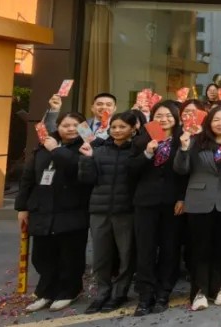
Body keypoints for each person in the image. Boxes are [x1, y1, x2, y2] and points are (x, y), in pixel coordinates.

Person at [17, 111, 91, 312]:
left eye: (75, 125)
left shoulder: (87, 146)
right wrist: (22, 207)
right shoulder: (43, 145)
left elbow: (78, 169)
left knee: (70, 254)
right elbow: (28, 177)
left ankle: (69, 291)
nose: (71, 129)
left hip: (72, 210)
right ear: (57, 127)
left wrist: (57, 151)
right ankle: (46, 291)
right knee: (42, 255)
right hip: (43, 209)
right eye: (65, 125)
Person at [174, 106, 221, 311]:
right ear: (209, 122)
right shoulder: (196, 142)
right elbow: (181, 169)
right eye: (216, 120)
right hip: (199, 200)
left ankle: (218, 288)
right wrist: (184, 149)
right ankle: (198, 291)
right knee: (200, 247)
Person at [78, 109, 138, 314]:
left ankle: (120, 293)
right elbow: (87, 179)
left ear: (133, 129)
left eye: (122, 127)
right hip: (99, 210)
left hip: (126, 210)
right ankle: (102, 293)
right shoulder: (99, 150)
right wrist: (86, 159)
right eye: (114, 127)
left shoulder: (136, 152)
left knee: (126, 255)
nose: (117, 130)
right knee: (101, 257)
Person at [129, 102, 186, 315]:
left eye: (169, 115)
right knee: (145, 249)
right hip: (146, 202)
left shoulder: (183, 140)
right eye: (159, 115)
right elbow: (130, 170)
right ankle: (145, 295)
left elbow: (186, 173)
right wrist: (147, 153)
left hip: (172, 203)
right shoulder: (141, 141)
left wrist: (182, 198)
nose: (164, 119)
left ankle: (164, 292)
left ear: (176, 118)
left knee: (170, 248)